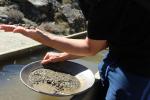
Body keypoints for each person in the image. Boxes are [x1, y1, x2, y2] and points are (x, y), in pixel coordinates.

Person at [0, 0, 150, 100]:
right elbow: (102, 42)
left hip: (137, 69)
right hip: (116, 55)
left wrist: (41, 37)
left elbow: (90, 48)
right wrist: (63, 56)